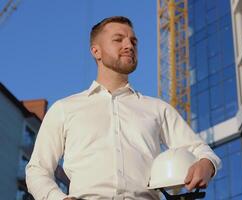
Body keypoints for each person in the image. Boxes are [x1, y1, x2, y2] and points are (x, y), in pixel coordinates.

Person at [26, 16, 221, 200]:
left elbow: (202, 151)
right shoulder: (64, 109)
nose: (129, 46)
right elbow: (37, 170)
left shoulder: (157, 109)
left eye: (133, 42)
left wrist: (207, 164)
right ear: (96, 51)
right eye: (118, 40)